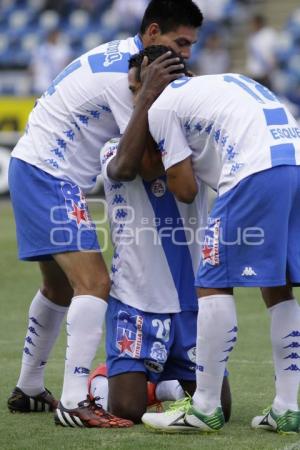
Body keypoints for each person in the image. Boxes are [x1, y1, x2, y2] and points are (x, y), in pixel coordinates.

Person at [7, 0, 203, 429]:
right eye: (180, 42)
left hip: (34, 166)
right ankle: (77, 400)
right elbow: (142, 160)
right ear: (153, 33)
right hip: (51, 175)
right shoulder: (131, 78)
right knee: (94, 283)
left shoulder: (123, 57)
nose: (186, 53)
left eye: (191, 44)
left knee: (59, 289)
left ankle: (30, 387)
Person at [128, 45, 300, 434]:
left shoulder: (162, 106)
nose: (132, 99)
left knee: (211, 280)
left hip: (252, 171)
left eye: (133, 88)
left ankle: (204, 407)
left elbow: (185, 189)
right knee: (278, 287)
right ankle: (287, 407)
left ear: (149, 81)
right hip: (293, 163)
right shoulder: (219, 83)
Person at [86, 133, 231, 424]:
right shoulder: (115, 148)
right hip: (135, 297)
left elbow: (198, 185)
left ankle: (164, 385)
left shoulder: (195, 143)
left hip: (191, 298)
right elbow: (134, 168)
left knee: (221, 411)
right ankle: (101, 380)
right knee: (128, 410)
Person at [30, 29, 71, 96]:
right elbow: (33, 66)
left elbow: (67, 66)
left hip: (57, 84)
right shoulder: (40, 49)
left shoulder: (63, 50)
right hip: (41, 83)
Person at [245, 14, 277, 90]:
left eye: (252, 23)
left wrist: (269, 70)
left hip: (266, 74)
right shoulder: (251, 36)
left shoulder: (269, 34)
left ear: (259, 23)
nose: (251, 26)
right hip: (254, 74)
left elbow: (273, 54)